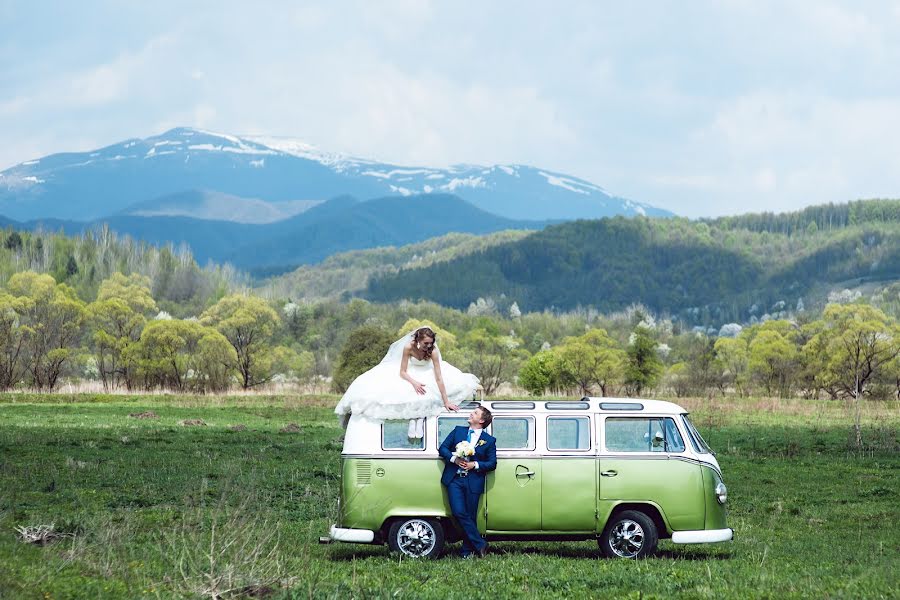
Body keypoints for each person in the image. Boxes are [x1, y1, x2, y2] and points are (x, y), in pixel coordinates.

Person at [334, 326, 480, 437]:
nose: (428, 346)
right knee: (408, 392)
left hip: (427, 372)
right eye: (425, 343)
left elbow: (439, 377)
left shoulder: (433, 352)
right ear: (417, 341)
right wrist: (414, 382)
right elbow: (402, 372)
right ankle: (412, 422)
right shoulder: (408, 347)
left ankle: (421, 424)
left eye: (431, 343)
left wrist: (446, 400)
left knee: (430, 393)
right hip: (410, 373)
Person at [438, 406, 497, 558]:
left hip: (473, 481)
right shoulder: (458, 431)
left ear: (482, 420)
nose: (471, 413)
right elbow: (443, 448)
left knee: (470, 516)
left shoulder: (489, 441)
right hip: (454, 480)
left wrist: (474, 465)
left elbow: (492, 463)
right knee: (458, 513)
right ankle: (480, 544)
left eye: (475, 413)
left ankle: (466, 552)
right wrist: (454, 459)